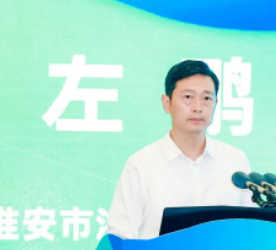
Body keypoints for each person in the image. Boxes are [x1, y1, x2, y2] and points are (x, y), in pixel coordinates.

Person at [106, 60, 255, 239]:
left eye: (207, 98)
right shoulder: (141, 164)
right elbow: (120, 236)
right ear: (167, 103)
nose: (198, 107)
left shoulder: (235, 161)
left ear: (216, 103)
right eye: (187, 97)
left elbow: (252, 230)